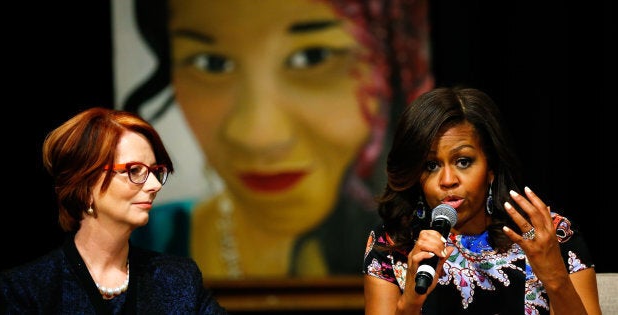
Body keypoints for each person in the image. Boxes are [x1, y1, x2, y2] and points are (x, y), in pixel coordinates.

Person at [121, 0, 434, 278]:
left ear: (393, 66)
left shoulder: (437, 247)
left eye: (312, 57)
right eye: (212, 64)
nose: (257, 136)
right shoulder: (135, 248)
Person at [362, 87, 601, 314]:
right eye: (431, 165)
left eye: (463, 161)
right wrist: (410, 303)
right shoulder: (393, 244)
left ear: (491, 167)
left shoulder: (551, 236)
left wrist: (555, 278)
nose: (447, 180)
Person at [0, 107, 227, 314]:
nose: (154, 185)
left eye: (156, 171)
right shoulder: (26, 289)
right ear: (86, 184)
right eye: (135, 171)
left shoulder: (178, 278)